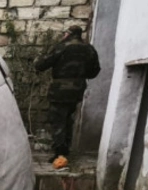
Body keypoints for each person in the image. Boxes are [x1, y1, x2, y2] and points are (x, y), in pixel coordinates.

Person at [34, 24, 101, 170]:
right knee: (68, 119)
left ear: (68, 34)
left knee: (58, 120)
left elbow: (41, 64)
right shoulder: (89, 49)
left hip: (60, 89)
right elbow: (95, 71)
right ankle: (66, 151)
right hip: (77, 89)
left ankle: (59, 153)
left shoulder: (61, 47)